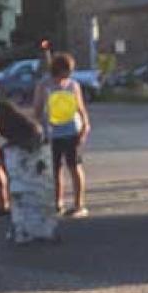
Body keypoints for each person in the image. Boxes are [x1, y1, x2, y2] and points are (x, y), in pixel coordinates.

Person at [33, 51, 90, 217]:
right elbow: (37, 108)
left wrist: (85, 125)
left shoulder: (73, 85)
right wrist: (40, 127)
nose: (70, 74)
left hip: (72, 130)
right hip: (52, 133)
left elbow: (80, 107)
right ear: (59, 69)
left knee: (74, 166)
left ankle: (79, 204)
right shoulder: (44, 85)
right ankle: (58, 203)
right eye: (67, 70)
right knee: (55, 169)